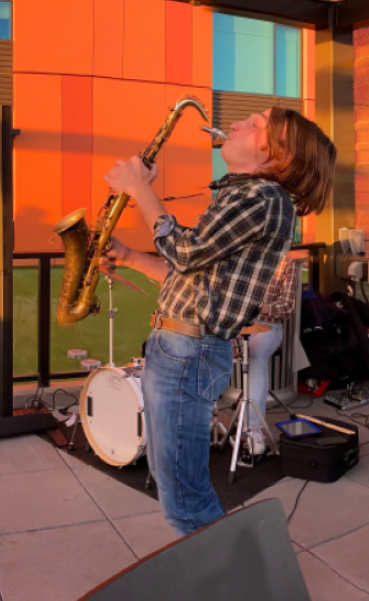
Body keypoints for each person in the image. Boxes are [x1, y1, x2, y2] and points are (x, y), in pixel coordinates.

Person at [101, 107, 334, 536]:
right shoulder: (242, 197)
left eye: (259, 122)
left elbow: (185, 251)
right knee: (171, 479)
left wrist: (139, 190)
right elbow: (189, 277)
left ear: (276, 155)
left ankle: (236, 589)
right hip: (176, 348)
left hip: (188, 353)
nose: (243, 120)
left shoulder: (265, 199)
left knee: (184, 500)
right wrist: (131, 257)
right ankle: (227, 580)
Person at [241, 253, 301, 457]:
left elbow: (288, 306)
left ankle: (254, 430)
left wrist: (258, 309)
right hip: (234, 326)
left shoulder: (286, 262)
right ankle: (202, 423)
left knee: (256, 357)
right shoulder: (238, 256)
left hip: (268, 325)